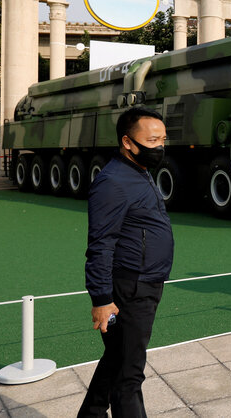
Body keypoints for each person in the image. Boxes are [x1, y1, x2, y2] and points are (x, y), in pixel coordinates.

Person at [79, 107, 174, 418]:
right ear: (128, 142)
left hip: (145, 280)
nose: (159, 146)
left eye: (163, 139)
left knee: (117, 358)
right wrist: (102, 299)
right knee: (129, 375)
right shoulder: (113, 182)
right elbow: (100, 245)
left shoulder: (138, 172)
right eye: (152, 140)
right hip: (131, 287)